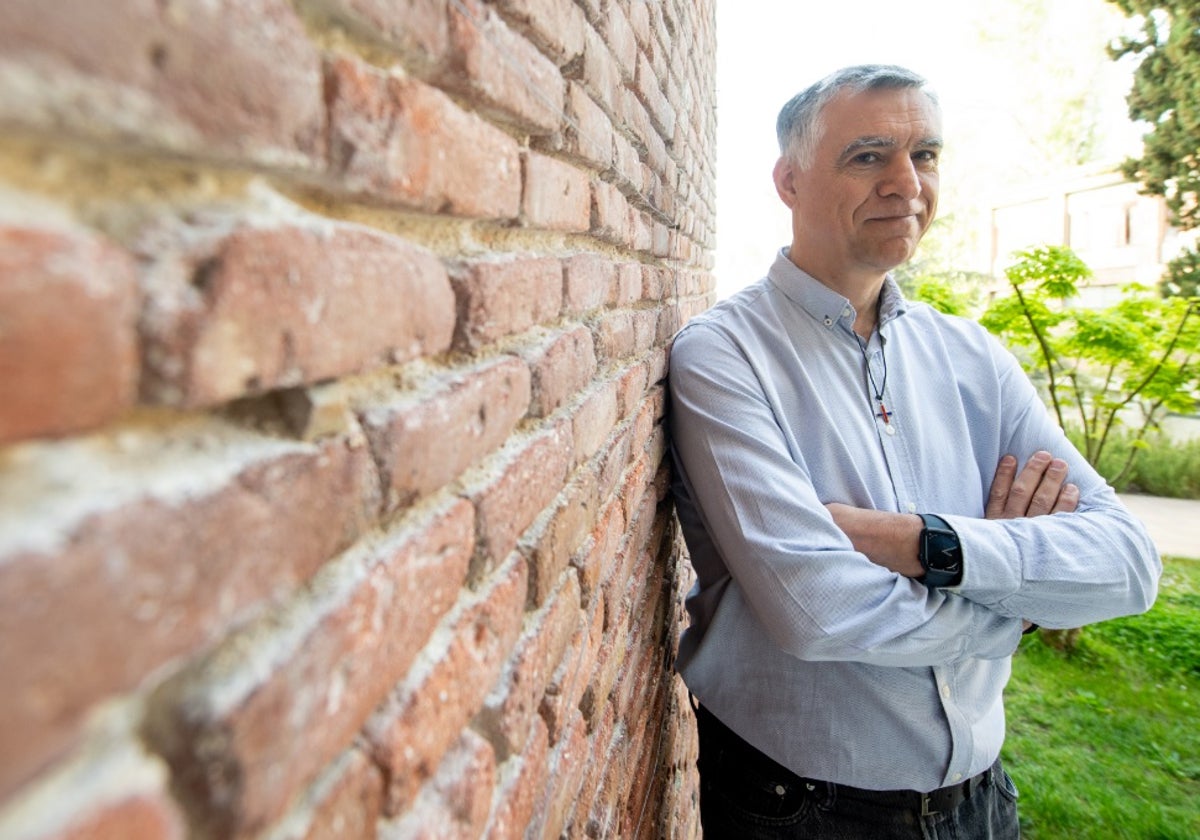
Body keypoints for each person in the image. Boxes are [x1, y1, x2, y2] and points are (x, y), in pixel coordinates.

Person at [667, 64, 1162, 839]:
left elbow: (1131, 564)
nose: (908, 184)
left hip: (984, 801)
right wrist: (1018, 603)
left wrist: (916, 544)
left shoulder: (973, 356)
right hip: (804, 810)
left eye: (925, 154)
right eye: (868, 155)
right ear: (789, 180)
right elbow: (819, 614)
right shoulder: (724, 356)